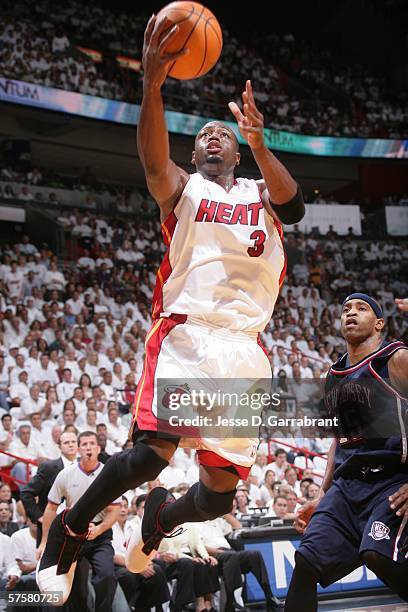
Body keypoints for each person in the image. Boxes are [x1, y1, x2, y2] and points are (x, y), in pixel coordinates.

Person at [37, 13, 304, 605]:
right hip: (189, 330)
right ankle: (72, 530)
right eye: (204, 133)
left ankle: (159, 523)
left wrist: (262, 143)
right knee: (151, 454)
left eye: (224, 134)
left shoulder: (263, 193)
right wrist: (151, 87)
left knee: (216, 497)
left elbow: (297, 205)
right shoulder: (184, 189)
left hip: (246, 349)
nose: (214, 136)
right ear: (195, 149)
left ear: (237, 148)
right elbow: (154, 163)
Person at [284, 293, 408, 611]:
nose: (350, 313)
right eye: (345, 309)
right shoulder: (334, 375)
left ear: (379, 323)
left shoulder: (395, 359)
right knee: (306, 562)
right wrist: (324, 494)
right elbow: (339, 440)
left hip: (392, 479)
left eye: (361, 308)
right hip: (348, 485)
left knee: (377, 555)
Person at [39, 431, 121, 612]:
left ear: (99, 448)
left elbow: (115, 510)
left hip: (100, 535)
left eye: (92, 443)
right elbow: (50, 508)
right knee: (73, 585)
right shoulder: (66, 474)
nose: (88, 447)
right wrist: (45, 542)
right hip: (73, 535)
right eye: (84, 444)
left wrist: (99, 529)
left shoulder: (109, 474)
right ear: (78, 449)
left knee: (107, 575)